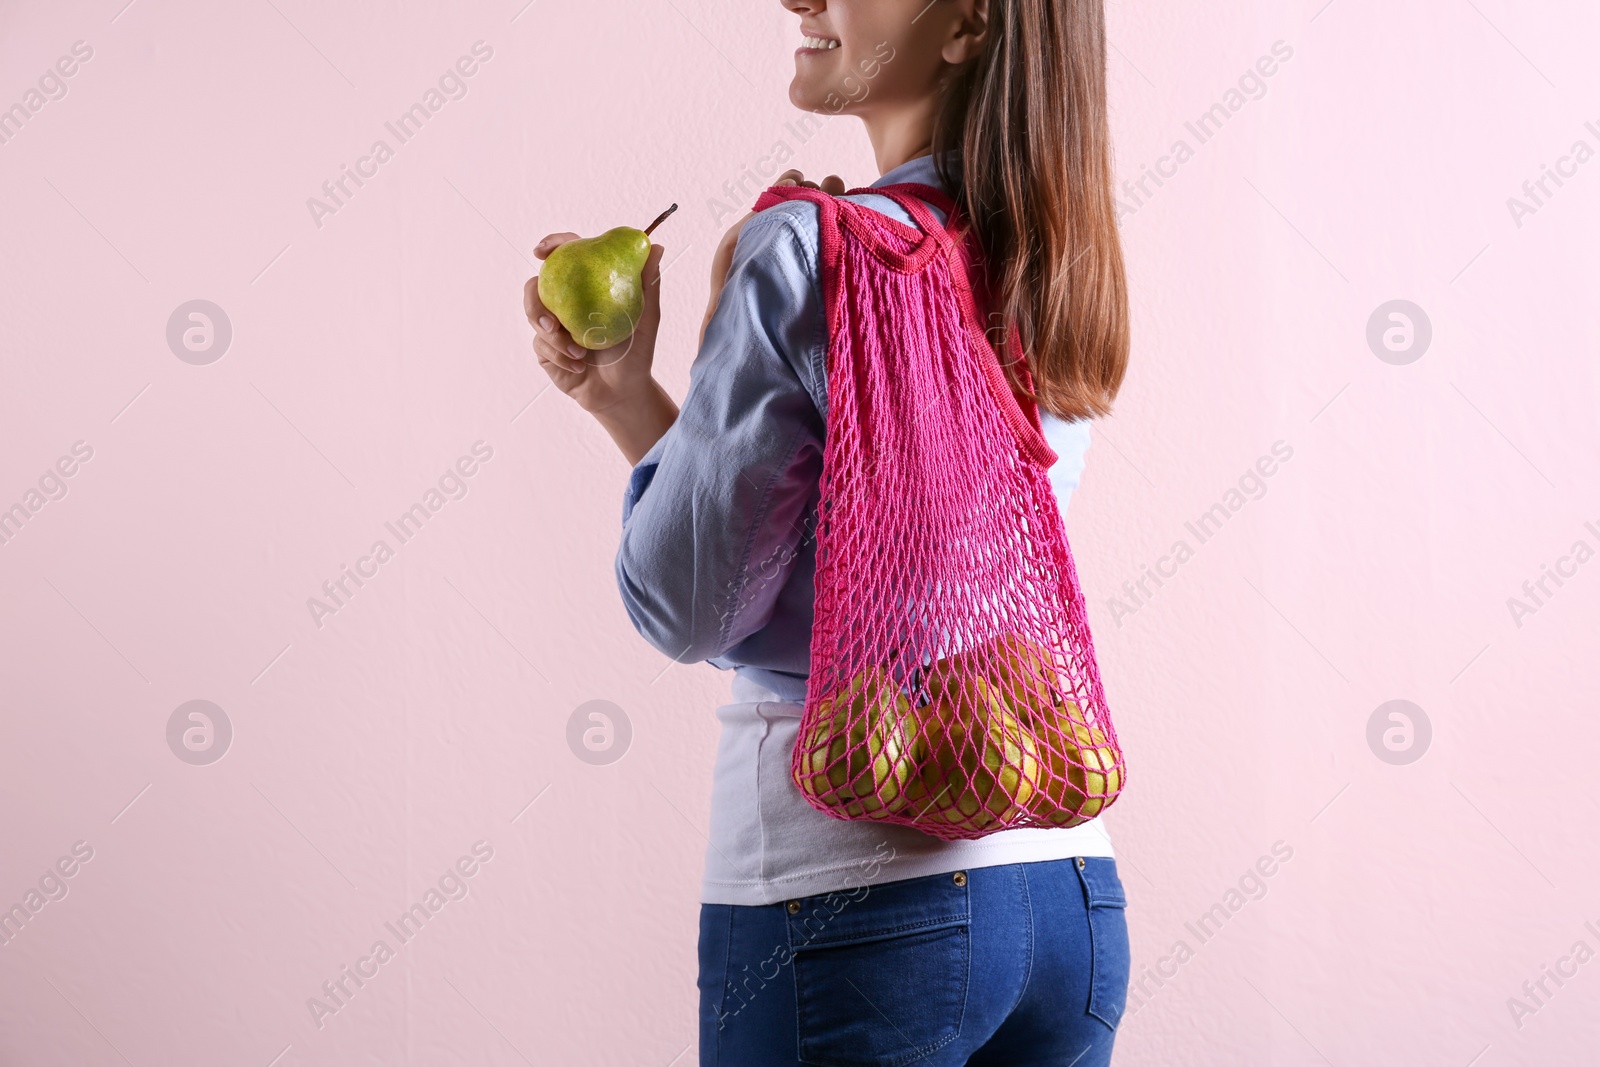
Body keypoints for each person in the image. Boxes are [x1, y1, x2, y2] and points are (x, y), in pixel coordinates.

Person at [524, 1, 1131, 1062]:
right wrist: (643, 404)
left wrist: (685, 366)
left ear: (967, 25)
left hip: (845, 902)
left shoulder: (807, 250)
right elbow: (902, 575)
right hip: (1063, 889)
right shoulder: (1060, 252)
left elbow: (688, 602)